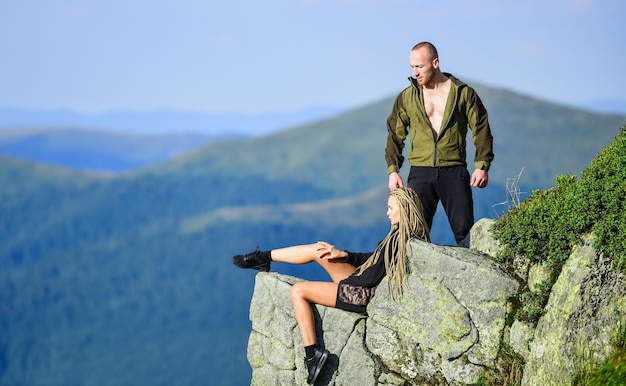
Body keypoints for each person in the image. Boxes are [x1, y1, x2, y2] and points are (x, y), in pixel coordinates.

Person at [231, 187, 430, 385]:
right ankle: (262, 258)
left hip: (361, 293)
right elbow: (374, 259)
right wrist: (343, 255)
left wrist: (348, 281)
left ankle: (313, 356)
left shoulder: (404, 242)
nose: (387, 213)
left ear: (404, 209)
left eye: (390, 208)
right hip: (360, 283)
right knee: (321, 250)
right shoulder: (397, 235)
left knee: (298, 291)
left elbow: (373, 277)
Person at [385, 41, 494, 245]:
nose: (415, 72)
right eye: (412, 67)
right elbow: (394, 134)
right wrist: (393, 170)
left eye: (420, 66)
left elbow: (481, 128)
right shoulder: (407, 97)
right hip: (420, 171)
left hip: (454, 171)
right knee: (412, 235)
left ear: (435, 63)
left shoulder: (463, 93)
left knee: (465, 235)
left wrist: (482, 165)